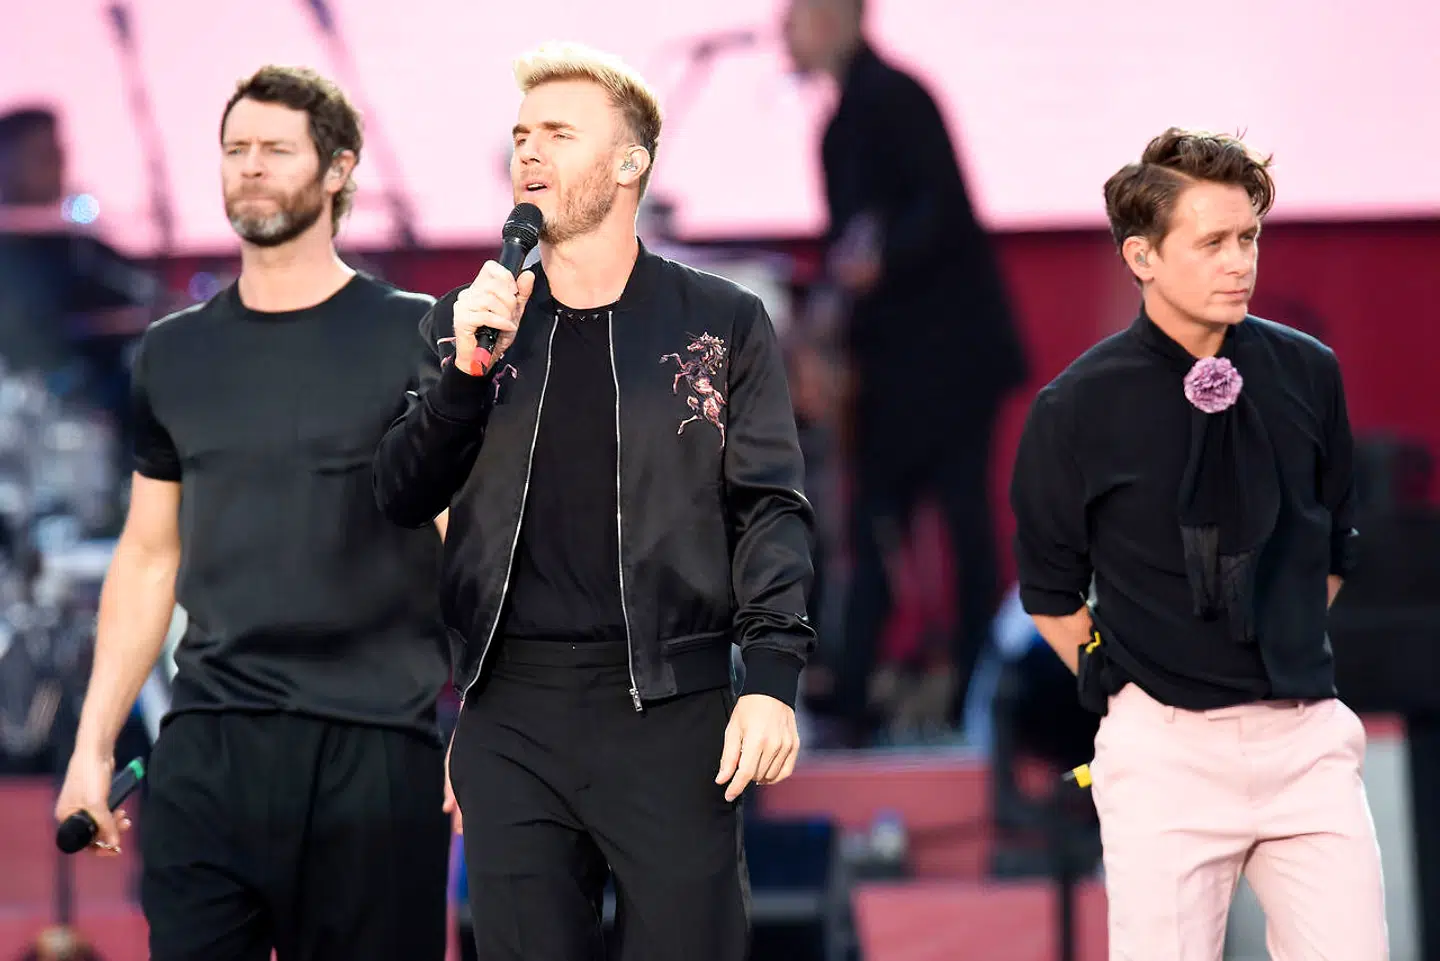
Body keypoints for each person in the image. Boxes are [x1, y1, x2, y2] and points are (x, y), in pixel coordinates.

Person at [372, 42, 816, 961]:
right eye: (521, 135)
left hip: (670, 704)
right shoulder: (467, 321)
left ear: (629, 163)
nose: (528, 152)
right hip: (511, 714)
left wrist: (771, 679)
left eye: (558, 134)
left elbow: (769, 508)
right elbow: (401, 493)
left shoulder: (719, 321)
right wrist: (465, 372)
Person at [52, 65, 454, 961]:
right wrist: (92, 745)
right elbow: (149, 555)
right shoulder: (174, 354)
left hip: (373, 749)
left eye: (276, 149)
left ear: (340, 169)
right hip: (207, 746)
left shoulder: (412, 334)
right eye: (236, 150)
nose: (251, 168)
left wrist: (491, 726)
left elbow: (466, 543)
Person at [1010, 127, 1387, 959]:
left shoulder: (1309, 372)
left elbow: (1334, 546)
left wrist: (1277, 634)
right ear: (1142, 256)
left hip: (1305, 739)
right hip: (1165, 750)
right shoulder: (1075, 408)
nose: (1240, 261)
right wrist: (1141, 675)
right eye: (1213, 241)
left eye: (1249, 236)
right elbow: (1049, 591)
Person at [782, 0, 1028, 744]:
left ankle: (979, 697)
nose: (786, 29)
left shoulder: (897, 99)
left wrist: (879, 256)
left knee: (964, 529)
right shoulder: (839, 125)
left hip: (949, 361)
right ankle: (857, 694)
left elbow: (942, 208)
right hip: (894, 368)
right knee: (875, 523)